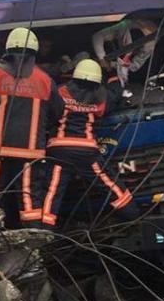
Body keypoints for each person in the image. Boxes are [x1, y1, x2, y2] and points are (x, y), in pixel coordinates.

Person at [0, 27, 64, 232]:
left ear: (8, 49)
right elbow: (57, 111)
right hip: (30, 152)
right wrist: (39, 128)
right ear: (35, 51)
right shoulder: (45, 80)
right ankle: (33, 240)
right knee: (29, 197)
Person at [41, 59, 138, 227]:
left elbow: (47, 114)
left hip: (59, 150)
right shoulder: (100, 95)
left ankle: (43, 229)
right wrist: (114, 77)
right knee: (110, 185)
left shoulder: (59, 91)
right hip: (87, 150)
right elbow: (115, 97)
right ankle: (134, 216)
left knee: (52, 193)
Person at [92, 18, 158, 92]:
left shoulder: (150, 45)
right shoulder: (123, 26)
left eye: (135, 50)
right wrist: (101, 58)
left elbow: (135, 66)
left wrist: (112, 64)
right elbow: (97, 36)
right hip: (114, 49)